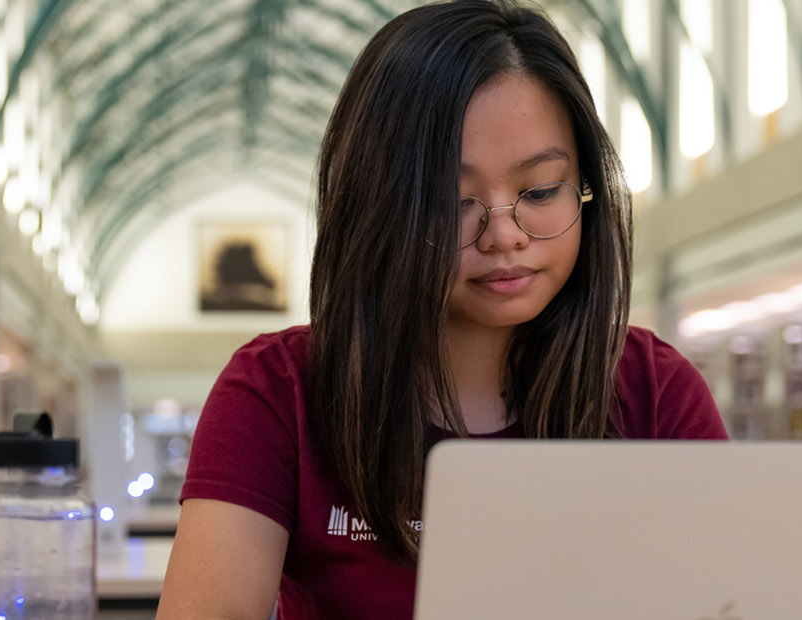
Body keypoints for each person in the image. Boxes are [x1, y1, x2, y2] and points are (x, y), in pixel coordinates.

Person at [157, 1, 727, 618]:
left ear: (586, 187)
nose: (504, 235)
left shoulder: (656, 393)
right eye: (452, 202)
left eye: (539, 192)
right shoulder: (276, 392)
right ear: (375, 208)